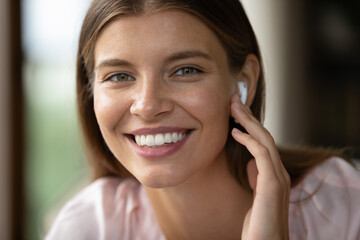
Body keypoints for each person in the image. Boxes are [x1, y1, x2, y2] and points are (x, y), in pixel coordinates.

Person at [46, 0, 360, 239]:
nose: (148, 105)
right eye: (119, 76)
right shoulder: (87, 227)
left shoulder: (341, 202)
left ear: (244, 82)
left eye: (185, 70)